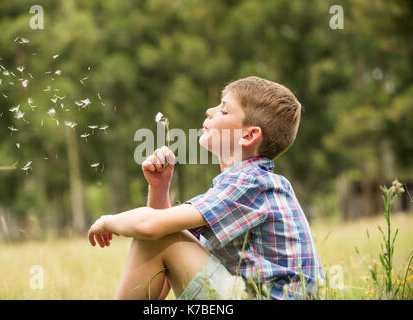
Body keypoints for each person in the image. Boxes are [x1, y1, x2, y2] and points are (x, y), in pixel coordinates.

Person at [88, 76, 323, 300]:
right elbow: (161, 268)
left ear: (249, 135)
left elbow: (152, 228)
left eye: (223, 110)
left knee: (155, 234)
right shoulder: (243, 185)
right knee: (159, 235)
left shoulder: (250, 183)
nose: (209, 112)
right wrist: (160, 188)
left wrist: (106, 221)